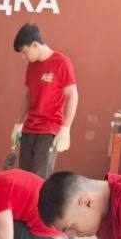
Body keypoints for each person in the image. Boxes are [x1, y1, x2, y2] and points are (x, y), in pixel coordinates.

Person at [12, 24, 78, 179]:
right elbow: (29, 95)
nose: (24, 57)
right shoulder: (32, 65)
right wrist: (18, 124)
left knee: (38, 180)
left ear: (35, 45)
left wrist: (66, 128)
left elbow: (73, 96)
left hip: (49, 130)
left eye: (25, 52)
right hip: (29, 128)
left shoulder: (62, 62)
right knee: (24, 177)